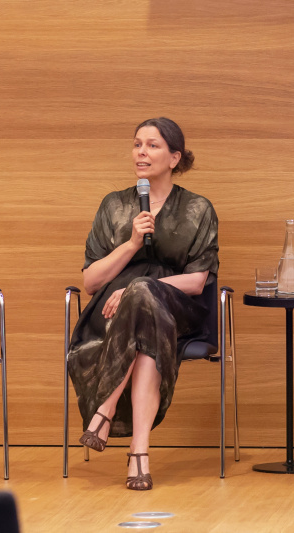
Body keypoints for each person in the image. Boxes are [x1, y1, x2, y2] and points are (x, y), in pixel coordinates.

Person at [67, 117, 219, 491]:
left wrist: (141, 285)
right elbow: (90, 281)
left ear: (174, 157)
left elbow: (198, 280)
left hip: (178, 308)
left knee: (142, 294)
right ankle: (140, 453)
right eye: (137, 144)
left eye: (152, 145)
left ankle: (104, 408)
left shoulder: (198, 209)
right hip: (111, 313)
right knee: (145, 335)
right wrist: (132, 243)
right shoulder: (114, 206)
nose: (141, 152)